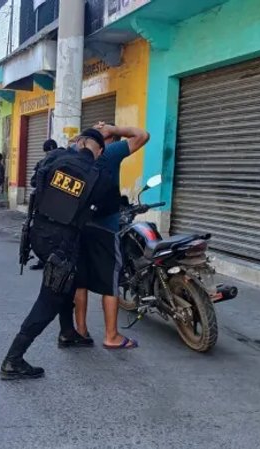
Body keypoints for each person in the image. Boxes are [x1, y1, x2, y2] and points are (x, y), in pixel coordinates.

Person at [0, 128, 120, 380]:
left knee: (69, 282)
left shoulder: (55, 157)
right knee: (50, 299)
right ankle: (13, 359)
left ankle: (68, 332)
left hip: (38, 234)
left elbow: (36, 182)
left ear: (80, 143)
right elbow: (108, 207)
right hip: (63, 243)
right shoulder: (100, 175)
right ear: (99, 152)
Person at [74, 122, 150, 349]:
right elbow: (142, 135)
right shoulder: (111, 152)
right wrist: (112, 129)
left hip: (78, 226)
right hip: (106, 227)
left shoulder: (75, 152)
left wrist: (92, 132)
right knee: (110, 281)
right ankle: (111, 335)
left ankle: (81, 330)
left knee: (80, 281)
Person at [27, 139, 60, 270]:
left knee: (42, 232)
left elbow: (33, 182)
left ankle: (44, 259)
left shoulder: (43, 163)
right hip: (59, 206)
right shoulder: (66, 162)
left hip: (44, 204)